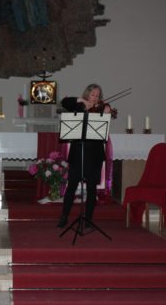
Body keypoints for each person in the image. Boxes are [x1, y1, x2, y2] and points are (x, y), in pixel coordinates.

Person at [57, 83, 111, 228]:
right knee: (72, 186)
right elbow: (64, 102)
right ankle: (64, 216)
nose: (95, 98)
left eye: (97, 96)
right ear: (87, 94)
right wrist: (82, 101)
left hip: (95, 154)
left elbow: (103, 128)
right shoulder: (79, 106)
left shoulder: (102, 108)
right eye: (92, 95)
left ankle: (88, 219)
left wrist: (106, 113)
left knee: (92, 188)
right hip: (78, 152)